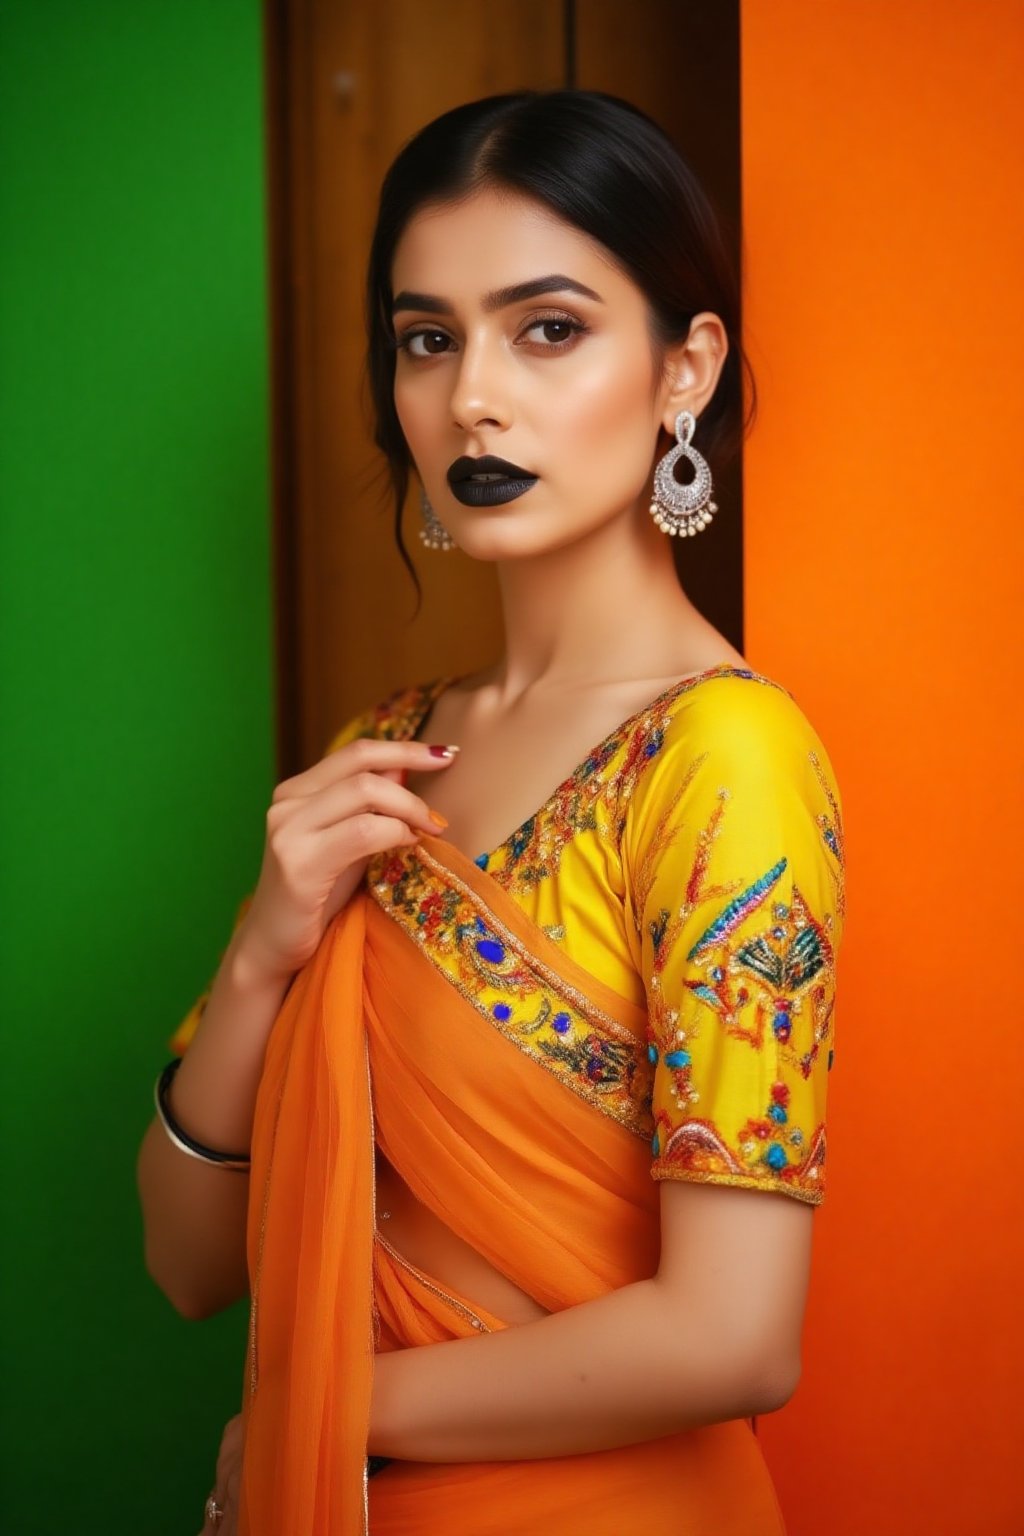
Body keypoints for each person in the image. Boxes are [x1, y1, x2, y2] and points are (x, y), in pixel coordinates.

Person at [137, 90, 846, 1536]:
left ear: (684, 367)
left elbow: (734, 1339)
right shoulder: (385, 756)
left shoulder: (724, 761)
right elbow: (191, 1266)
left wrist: (328, 1413)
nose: (471, 394)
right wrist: (267, 947)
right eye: (426, 337)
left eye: (549, 329)